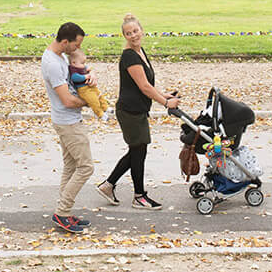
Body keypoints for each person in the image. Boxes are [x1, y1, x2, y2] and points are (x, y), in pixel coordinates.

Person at [95, 14, 180, 210]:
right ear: (124, 36)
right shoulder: (130, 56)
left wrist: (165, 95)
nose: (133, 35)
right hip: (130, 111)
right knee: (138, 151)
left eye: (135, 31)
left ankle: (108, 185)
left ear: (141, 30)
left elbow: (149, 84)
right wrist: (165, 104)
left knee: (136, 151)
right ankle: (139, 196)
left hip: (137, 109)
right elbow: (144, 87)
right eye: (128, 33)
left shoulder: (140, 51)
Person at [40, 22, 95, 233]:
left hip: (65, 120)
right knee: (86, 167)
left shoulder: (60, 57)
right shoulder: (52, 63)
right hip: (68, 121)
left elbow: (79, 70)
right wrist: (90, 102)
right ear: (65, 42)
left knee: (71, 167)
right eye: (76, 44)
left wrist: (91, 75)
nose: (77, 49)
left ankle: (65, 212)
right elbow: (67, 100)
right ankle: (62, 212)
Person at [68, 47, 112, 121]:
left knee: (99, 94)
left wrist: (90, 72)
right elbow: (74, 78)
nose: (84, 65)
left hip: (90, 86)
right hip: (83, 90)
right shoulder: (73, 70)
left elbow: (89, 69)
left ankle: (105, 107)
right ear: (74, 63)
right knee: (93, 100)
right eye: (82, 63)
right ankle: (100, 113)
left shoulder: (80, 66)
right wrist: (85, 76)